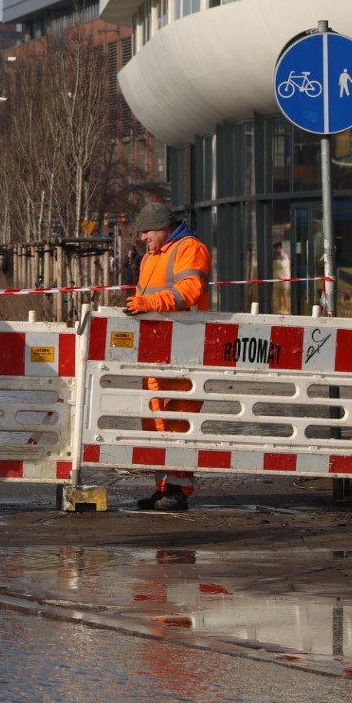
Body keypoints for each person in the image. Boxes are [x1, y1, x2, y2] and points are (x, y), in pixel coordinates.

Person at [124, 202, 211, 511]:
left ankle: (178, 490)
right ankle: (164, 488)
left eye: (146, 233)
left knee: (178, 419)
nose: (143, 239)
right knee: (157, 420)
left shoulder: (189, 248)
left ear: (160, 228)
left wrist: (148, 303)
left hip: (184, 350)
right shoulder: (151, 256)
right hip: (157, 350)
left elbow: (190, 292)